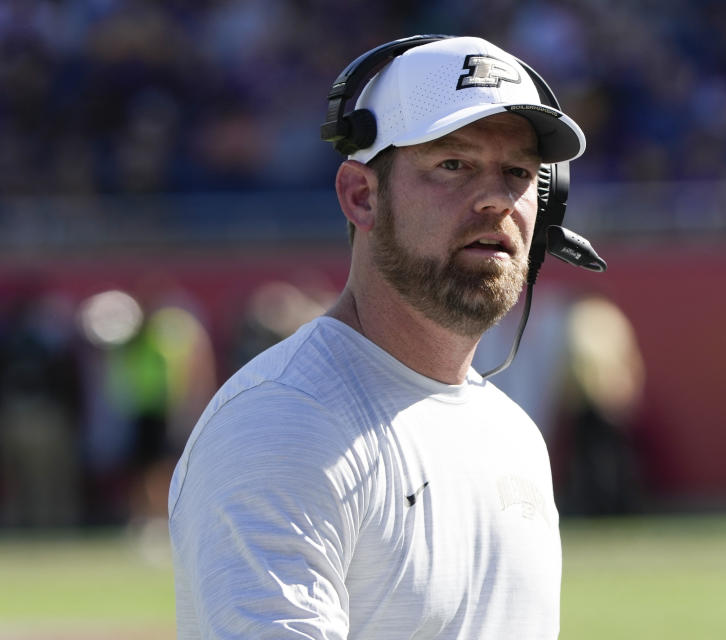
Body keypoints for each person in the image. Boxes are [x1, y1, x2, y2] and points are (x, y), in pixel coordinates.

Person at [168, 35, 587, 639]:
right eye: (453, 164)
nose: (497, 198)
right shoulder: (282, 424)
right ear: (361, 196)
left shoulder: (513, 433)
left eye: (518, 173)